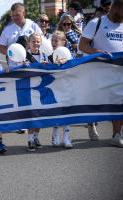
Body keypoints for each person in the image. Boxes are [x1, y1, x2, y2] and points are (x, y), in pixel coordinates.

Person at [79, 0, 123, 147]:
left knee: (119, 102)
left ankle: (117, 134)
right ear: (116, 7)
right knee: (95, 101)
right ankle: (92, 123)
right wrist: (96, 52)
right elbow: (82, 45)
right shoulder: (96, 23)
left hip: (118, 73)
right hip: (98, 71)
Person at [49, 30, 74, 148]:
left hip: (66, 87)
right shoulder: (48, 55)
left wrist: (66, 63)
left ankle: (66, 137)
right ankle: (55, 136)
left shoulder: (69, 55)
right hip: (54, 87)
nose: (54, 42)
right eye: (52, 40)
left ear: (63, 42)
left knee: (67, 112)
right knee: (56, 112)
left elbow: (74, 69)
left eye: (56, 40)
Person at [0, 3, 42, 69]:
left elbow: (41, 43)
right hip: (14, 67)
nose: (15, 18)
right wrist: (14, 51)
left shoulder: (33, 26)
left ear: (24, 13)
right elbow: (1, 48)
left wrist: (30, 47)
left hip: (33, 66)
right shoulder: (7, 30)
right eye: (13, 15)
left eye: (17, 15)